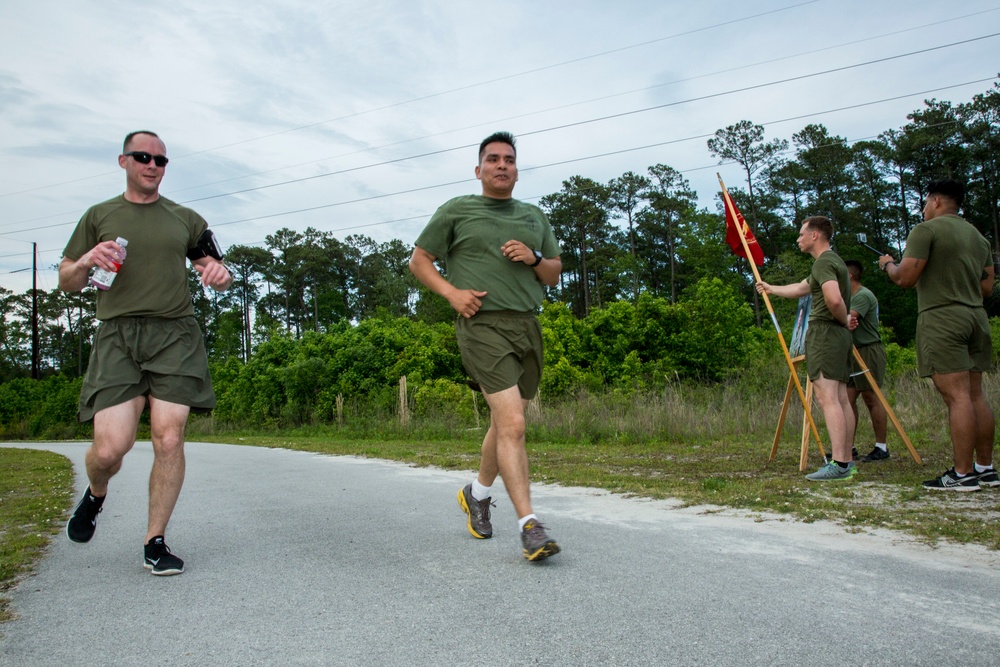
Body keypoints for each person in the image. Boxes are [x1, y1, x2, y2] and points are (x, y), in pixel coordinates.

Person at [59, 130, 233, 575]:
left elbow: (217, 267)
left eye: (161, 160)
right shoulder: (98, 216)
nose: (153, 165)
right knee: (109, 449)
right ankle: (96, 494)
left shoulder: (184, 219)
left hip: (175, 335)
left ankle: (155, 541)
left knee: (169, 437)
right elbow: (67, 281)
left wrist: (218, 273)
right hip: (118, 336)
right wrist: (84, 261)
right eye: (143, 157)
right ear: (124, 161)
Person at [408, 131, 563, 561]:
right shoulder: (458, 210)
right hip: (481, 326)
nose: (501, 165)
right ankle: (530, 527)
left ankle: (476, 494)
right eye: (492, 159)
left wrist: (534, 259)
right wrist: (451, 294)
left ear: (516, 169)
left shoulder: (534, 216)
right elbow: (419, 260)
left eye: (509, 160)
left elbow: (552, 273)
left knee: (504, 423)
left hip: (528, 326)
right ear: (479, 170)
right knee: (513, 424)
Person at [880, 179, 998, 491]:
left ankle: (961, 475)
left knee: (956, 396)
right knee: (975, 395)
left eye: (924, 203)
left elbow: (905, 277)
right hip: (976, 316)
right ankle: (985, 468)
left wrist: (888, 265)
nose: (922, 209)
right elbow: (987, 288)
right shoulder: (978, 237)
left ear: (935, 201)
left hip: (942, 317)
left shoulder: (925, 231)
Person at [757, 216, 856, 481]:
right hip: (839, 336)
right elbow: (802, 289)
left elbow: (834, 300)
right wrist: (770, 288)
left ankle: (839, 464)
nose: (798, 238)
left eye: (802, 234)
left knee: (828, 398)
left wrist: (841, 317)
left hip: (826, 333)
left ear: (815, 236)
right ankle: (846, 461)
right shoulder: (831, 262)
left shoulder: (824, 262)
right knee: (842, 397)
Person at [844, 259, 890, 462]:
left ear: (850, 276)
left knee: (871, 397)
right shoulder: (848, 297)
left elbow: (848, 319)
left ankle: (882, 447)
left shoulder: (862, 295)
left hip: (868, 349)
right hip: (852, 352)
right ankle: (847, 447)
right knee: (846, 399)